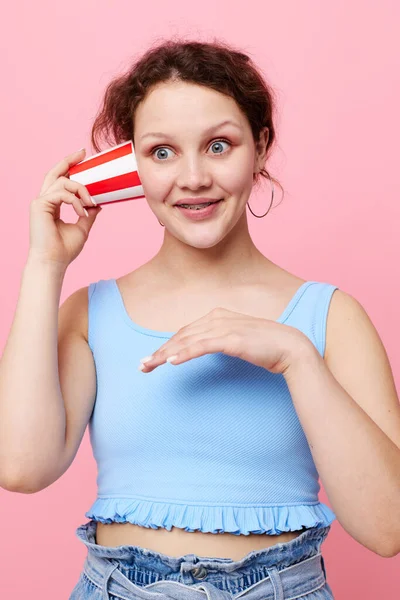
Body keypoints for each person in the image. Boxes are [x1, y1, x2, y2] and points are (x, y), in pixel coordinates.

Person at [1, 38, 400, 600]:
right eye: (161, 152)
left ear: (261, 147)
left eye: (218, 145)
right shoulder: (91, 314)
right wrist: (46, 264)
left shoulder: (329, 317)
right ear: (130, 164)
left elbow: (388, 530)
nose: (191, 178)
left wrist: (295, 356)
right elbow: (20, 467)